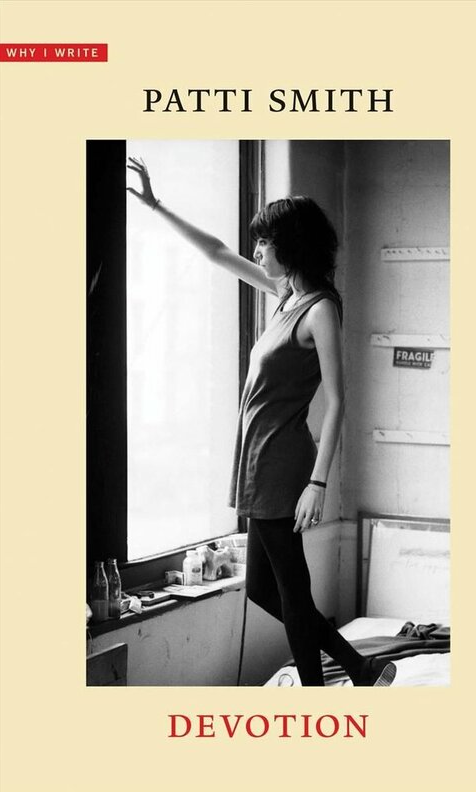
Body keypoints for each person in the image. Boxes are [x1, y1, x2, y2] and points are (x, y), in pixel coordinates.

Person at [127, 155, 396, 687]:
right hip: (258, 460)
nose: (257, 252)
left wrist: (318, 483)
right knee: (264, 591)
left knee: (291, 592)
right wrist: (157, 207)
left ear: (289, 246)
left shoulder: (319, 309)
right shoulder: (285, 296)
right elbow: (217, 253)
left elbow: (338, 402)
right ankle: (359, 667)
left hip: (283, 464)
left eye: (265, 244)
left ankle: (320, 690)